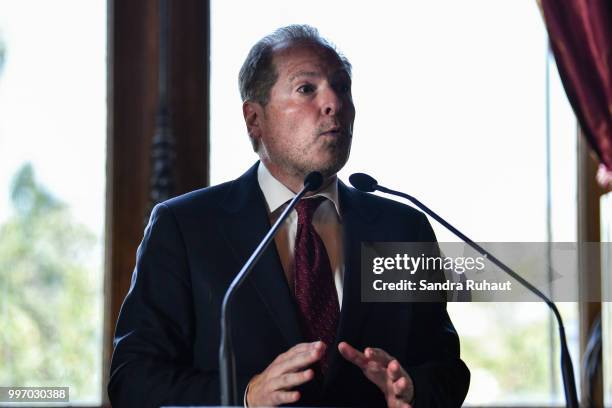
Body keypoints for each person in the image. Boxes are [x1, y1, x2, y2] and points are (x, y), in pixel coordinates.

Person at [108, 25, 470, 407]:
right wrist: (246, 396)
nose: (334, 102)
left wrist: (414, 391)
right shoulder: (185, 227)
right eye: (306, 89)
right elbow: (133, 381)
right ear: (254, 120)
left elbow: (445, 368)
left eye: (342, 87)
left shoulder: (401, 227)